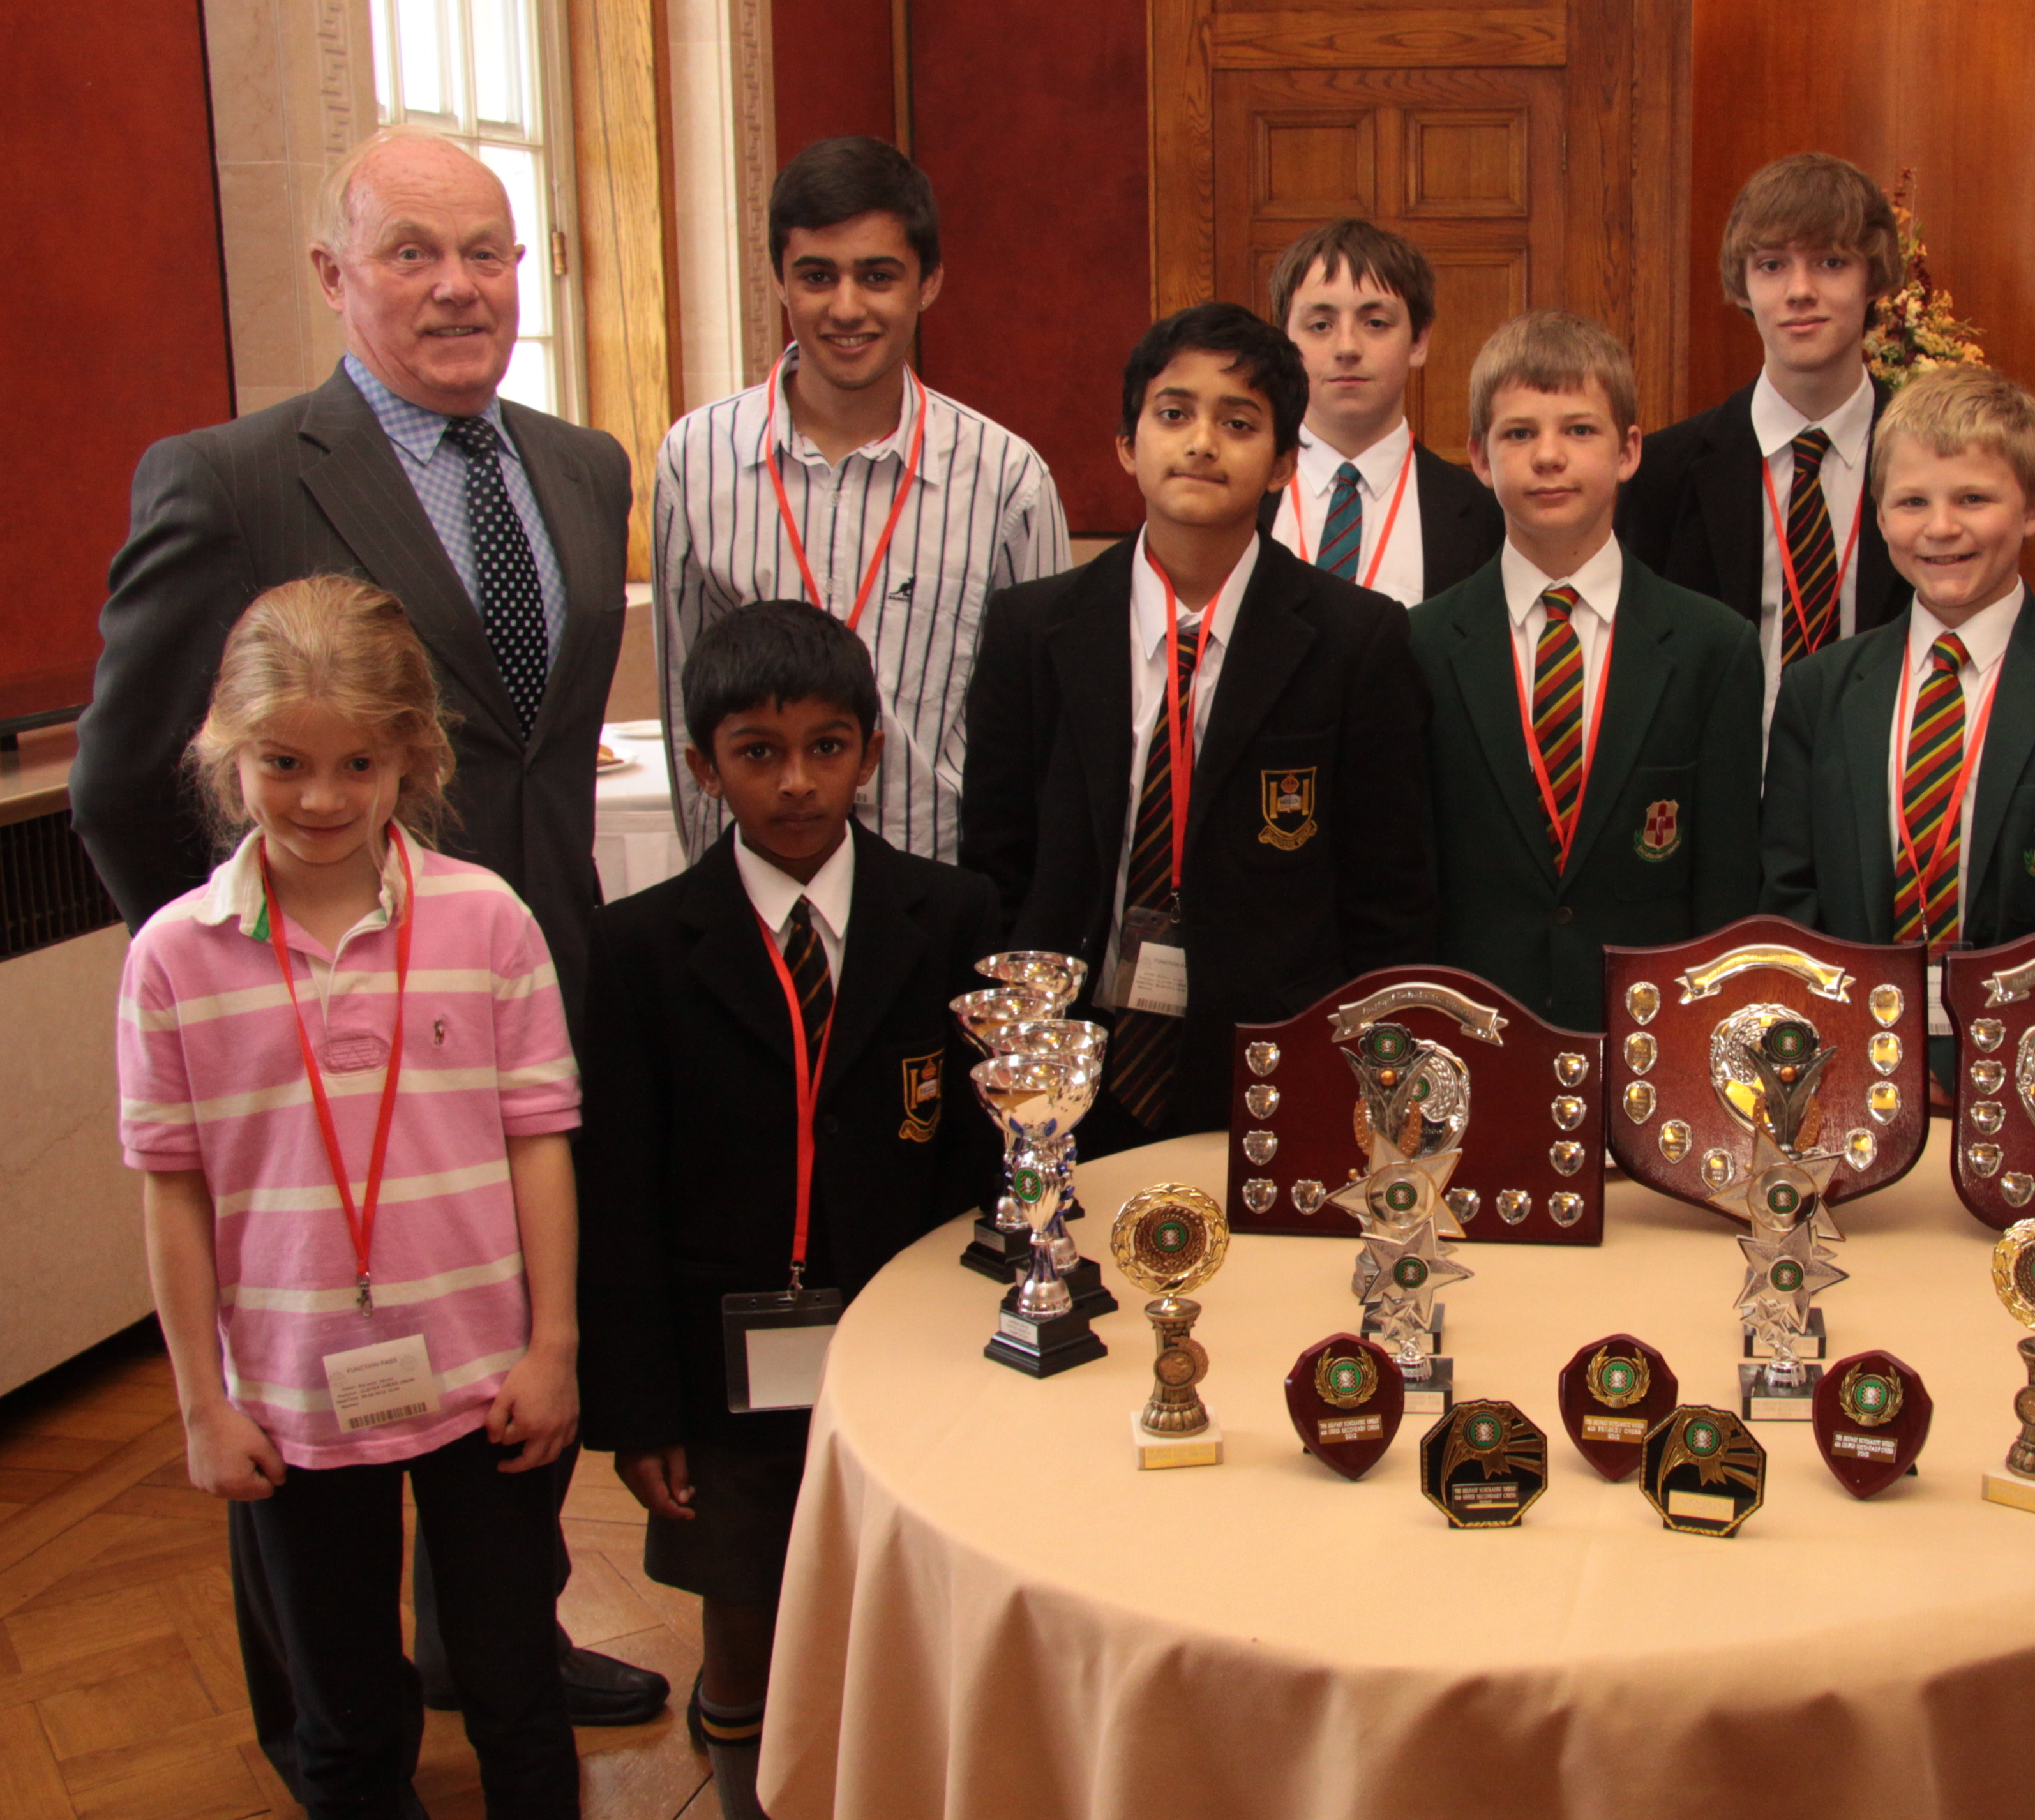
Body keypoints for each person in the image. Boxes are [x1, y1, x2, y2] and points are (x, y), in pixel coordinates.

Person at [68, 125, 663, 1731]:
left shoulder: (583, 464)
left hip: (524, 1004)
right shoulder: (236, 479)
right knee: (305, 1421)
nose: (458, 286)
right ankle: (330, 1715)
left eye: (488, 250)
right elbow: (127, 784)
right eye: (412, 251)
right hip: (315, 1034)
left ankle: (497, 1641)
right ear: (335, 275)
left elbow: (531, 758)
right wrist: (234, 976)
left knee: (512, 1371)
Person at [121, 576, 587, 1817]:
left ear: (412, 760)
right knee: (345, 1718)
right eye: (284, 762)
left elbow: (539, 1139)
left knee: (513, 1691)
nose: (321, 799)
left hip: (487, 1379)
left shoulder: (487, 923)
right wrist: (200, 1404)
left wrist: (554, 1345)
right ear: (228, 757)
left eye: (358, 765)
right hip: (286, 1399)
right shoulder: (173, 955)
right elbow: (173, 1190)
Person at [576, 601, 996, 1820]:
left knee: (902, 1589)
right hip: (723, 1360)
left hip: (908, 1341)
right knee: (747, 1601)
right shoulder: (641, 946)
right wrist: (640, 1406)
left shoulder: (953, 915)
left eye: (826, 746)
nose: (798, 782)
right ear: (704, 765)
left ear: (871, 747)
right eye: (758, 751)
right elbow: (618, 1189)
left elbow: (979, 1156)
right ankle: (749, 1793)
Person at [956, 303, 1437, 1152]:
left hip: (1270, 1066)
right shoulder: (1034, 630)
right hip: (1070, 1056)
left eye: (1239, 421)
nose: (1203, 442)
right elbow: (998, 860)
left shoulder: (1355, 641)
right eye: (1173, 413)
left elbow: (1386, 897)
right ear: (1125, 442)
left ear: (1287, 460)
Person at [652, 135, 1069, 864]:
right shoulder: (694, 458)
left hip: (937, 882)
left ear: (928, 282)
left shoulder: (1008, 479)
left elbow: (1039, 728)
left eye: (878, 276)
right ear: (780, 280)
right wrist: (709, 893)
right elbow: (682, 702)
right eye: (817, 276)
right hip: (754, 885)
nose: (847, 308)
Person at [1762, 364, 2035, 975]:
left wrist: (1989, 1045)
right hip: (1859, 1044)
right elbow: (1790, 898)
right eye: (1912, 502)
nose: (1941, 527)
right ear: (1879, 516)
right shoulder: (1819, 689)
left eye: (1973, 499)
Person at [1409, 310, 1761, 1029]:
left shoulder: (1712, 647)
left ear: (1630, 450)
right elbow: (1409, 881)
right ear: (1478, 457)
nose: (1548, 456)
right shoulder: (1419, 645)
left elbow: (1725, 888)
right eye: (1519, 433)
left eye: (1579, 429)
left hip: (1651, 1037)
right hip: (1471, 1034)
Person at [1621, 153, 1912, 740]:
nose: (1799, 291)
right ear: (1743, 285)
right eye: (1773, 265)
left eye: (1831, 262)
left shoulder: (1929, 461)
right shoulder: (1663, 474)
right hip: (1725, 797)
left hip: (1892, 792)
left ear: (1875, 277)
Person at [1259, 218, 1504, 603]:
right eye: (1320, 325)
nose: (1347, 347)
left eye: (1375, 323)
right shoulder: (1238, 495)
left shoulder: (1484, 516)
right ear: (1284, 343)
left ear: (1419, 341)